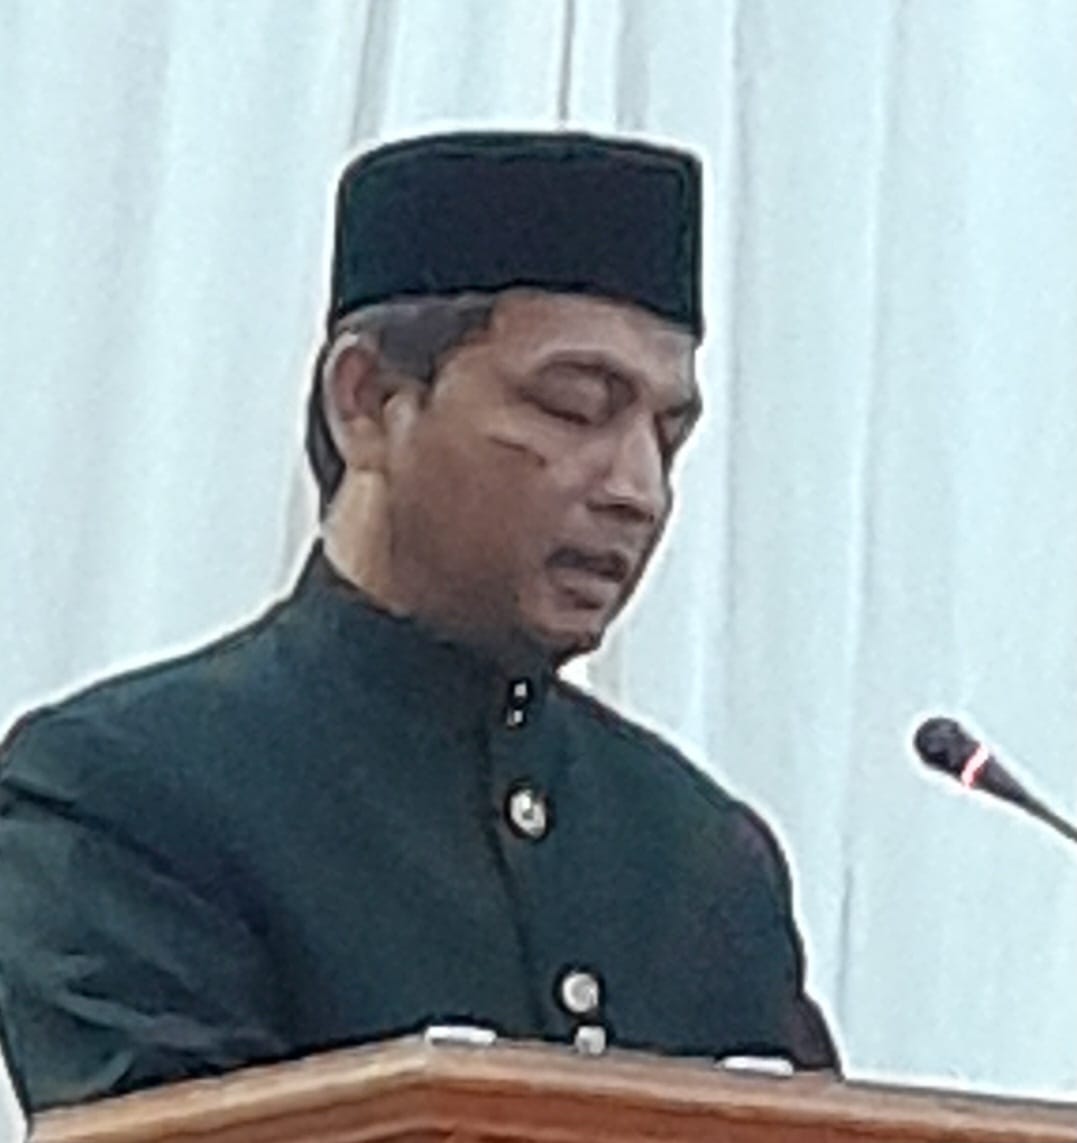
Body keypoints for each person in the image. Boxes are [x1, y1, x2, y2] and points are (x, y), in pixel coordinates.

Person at [0, 131, 839, 1114]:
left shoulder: (700, 851)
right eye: (575, 407)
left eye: (668, 435)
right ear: (366, 402)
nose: (638, 490)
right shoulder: (127, 795)